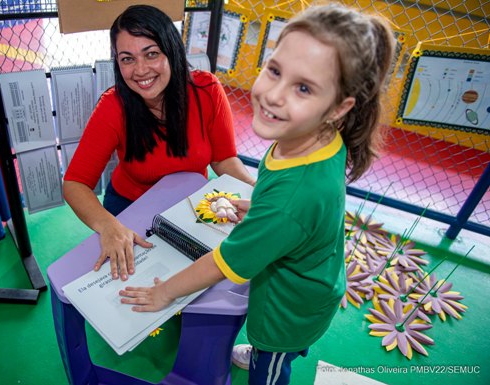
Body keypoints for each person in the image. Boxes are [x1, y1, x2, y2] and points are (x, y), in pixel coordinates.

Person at [119, 3, 395, 384]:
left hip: (288, 313)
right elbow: (290, 206)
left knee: (271, 370)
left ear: (338, 108)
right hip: (308, 276)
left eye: (303, 87)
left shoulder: (291, 198)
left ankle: (270, 359)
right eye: (275, 70)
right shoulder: (312, 138)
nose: (274, 95)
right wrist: (263, 208)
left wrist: (164, 292)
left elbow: (225, 263)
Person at [63, 5, 255, 281]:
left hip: (191, 204)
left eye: (151, 54)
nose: (140, 70)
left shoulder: (207, 90)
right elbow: (75, 183)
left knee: (202, 283)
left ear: (172, 50)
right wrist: (109, 227)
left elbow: (224, 159)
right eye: (127, 59)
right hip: (130, 206)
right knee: (131, 286)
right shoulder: (113, 106)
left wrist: (257, 193)